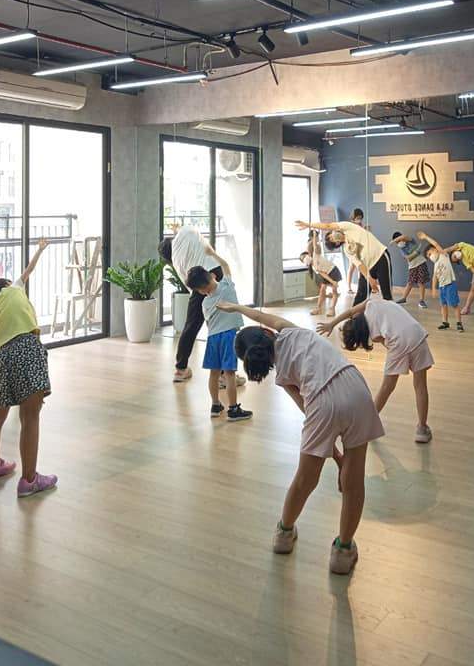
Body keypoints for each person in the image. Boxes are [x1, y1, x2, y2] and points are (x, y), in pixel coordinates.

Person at [217, 301, 384, 575]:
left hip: (320, 402)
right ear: (267, 333)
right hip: (355, 388)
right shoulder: (291, 331)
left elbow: (311, 411)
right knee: (354, 481)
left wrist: (336, 456)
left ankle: (284, 534)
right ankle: (343, 551)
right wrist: (236, 308)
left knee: (305, 479)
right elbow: (260, 315)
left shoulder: (283, 376)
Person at [0, 239, 57, 497]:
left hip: (0, 358)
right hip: (26, 348)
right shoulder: (14, 288)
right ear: (7, 284)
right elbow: (29, 270)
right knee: (30, 416)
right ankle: (29, 480)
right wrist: (40, 249)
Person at [317, 298, 434, 443]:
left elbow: (393, 344)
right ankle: (422, 429)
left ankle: (367, 423)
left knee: (386, 387)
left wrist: (402, 356)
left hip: (398, 341)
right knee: (420, 385)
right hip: (416, 333)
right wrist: (332, 324)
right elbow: (350, 311)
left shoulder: (374, 334)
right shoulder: (371, 303)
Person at [159, 226, 245, 387]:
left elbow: (190, 285)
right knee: (224, 326)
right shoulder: (185, 232)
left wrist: (202, 298)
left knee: (191, 326)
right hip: (214, 273)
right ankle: (224, 375)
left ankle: (181, 369)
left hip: (199, 283)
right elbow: (191, 232)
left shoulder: (176, 261)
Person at [186, 252, 253, 422]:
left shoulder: (205, 303)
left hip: (212, 338)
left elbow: (209, 323)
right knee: (229, 374)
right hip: (229, 335)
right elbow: (226, 265)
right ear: (213, 276)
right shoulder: (227, 286)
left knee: (214, 374)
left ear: (201, 290)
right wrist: (211, 253)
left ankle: (215, 405)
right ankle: (233, 409)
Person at [296, 217, 392, 306]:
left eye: (331, 234)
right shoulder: (347, 250)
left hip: (380, 256)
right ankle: (354, 317)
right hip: (367, 267)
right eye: (332, 239)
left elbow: (327, 226)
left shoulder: (348, 227)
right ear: (337, 243)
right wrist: (369, 279)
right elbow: (359, 265)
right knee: (360, 296)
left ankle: (393, 314)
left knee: (386, 294)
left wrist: (309, 224)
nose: (333, 235)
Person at [417, 231, 464, 332]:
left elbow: (436, 243)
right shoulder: (436, 264)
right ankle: (445, 322)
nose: (430, 257)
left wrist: (425, 237)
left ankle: (459, 323)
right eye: (428, 257)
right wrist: (434, 289)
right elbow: (435, 277)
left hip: (450, 284)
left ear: (435, 249)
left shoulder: (443, 254)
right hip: (442, 287)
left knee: (454, 305)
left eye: (430, 254)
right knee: (443, 305)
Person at [300, 230, 341, 317]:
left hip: (333, 270)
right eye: (304, 259)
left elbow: (315, 245)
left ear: (308, 255)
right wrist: (332, 282)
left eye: (305, 257)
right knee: (322, 290)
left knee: (334, 291)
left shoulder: (315, 254)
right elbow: (323, 274)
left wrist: (315, 235)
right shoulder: (314, 267)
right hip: (327, 273)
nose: (305, 259)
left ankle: (332, 309)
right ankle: (318, 308)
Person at [392, 231, 429, 309]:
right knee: (410, 283)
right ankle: (404, 298)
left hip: (421, 263)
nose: (398, 243)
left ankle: (421, 301)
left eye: (399, 241)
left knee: (421, 282)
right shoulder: (401, 249)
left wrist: (394, 240)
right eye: (397, 242)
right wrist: (416, 252)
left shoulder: (411, 241)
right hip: (412, 266)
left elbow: (404, 236)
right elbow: (408, 258)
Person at [345, 208, 365, 293]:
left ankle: (360, 287)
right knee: (352, 267)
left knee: (360, 268)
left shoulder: (361, 225)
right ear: (354, 217)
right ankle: (349, 288)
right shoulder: (350, 225)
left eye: (360, 218)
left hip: (359, 248)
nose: (359, 220)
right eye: (358, 218)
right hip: (352, 249)